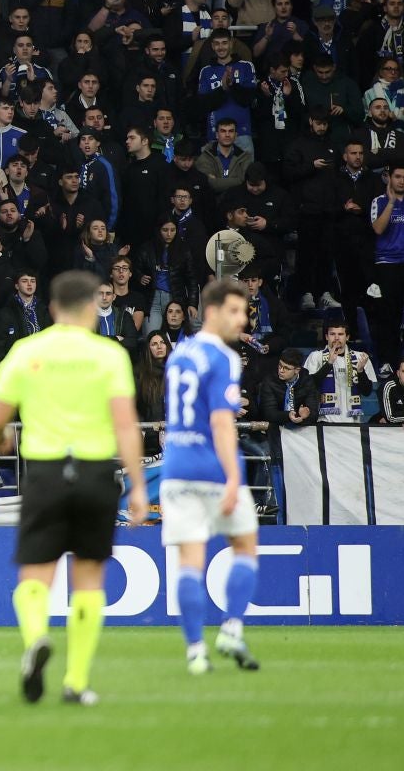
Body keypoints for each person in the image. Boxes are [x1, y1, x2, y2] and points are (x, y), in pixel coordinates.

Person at [0, 269, 148, 707]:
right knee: (89, 577)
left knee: (36, 573)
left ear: (52, 308)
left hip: (45, 472)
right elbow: (125, 424)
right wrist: (137, 487)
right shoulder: (108, 355)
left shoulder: (27, 350)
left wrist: (3, 441)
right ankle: (76, 681)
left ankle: (37, 637)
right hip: (96, 473)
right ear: (95, 307)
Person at [162, 278, 262, 674]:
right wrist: (234, 478)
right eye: (236, 312)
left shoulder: (178, 354)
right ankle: (232, 629)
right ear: (214, 311)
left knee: (189, 561)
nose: (243, 320)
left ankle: (194, 653)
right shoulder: (224, 358)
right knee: (244, 545)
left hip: (175, 469)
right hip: (213, 468)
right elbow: (222, 423)